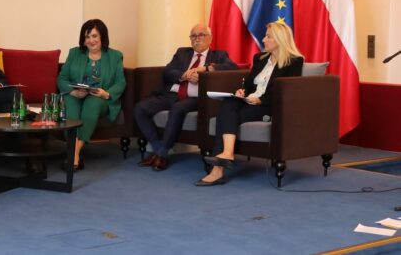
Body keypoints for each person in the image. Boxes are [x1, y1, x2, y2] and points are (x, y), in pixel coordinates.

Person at [196, 21, 304, 186]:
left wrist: (260, 99)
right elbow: (248, 85)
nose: (263, 39)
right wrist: (242, 92)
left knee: (225, 118)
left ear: (280, 39)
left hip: (268, 106)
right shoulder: (260, 58)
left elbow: (288, 90)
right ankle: (228, 153)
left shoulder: (294, 62)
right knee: (228, 103)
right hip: (249, 100)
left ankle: (217, 170)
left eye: (268, 37)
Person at [133, 23, 238, 171]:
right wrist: (184, 75)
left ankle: (161, 155)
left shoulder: (219, 55)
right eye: (193, 36)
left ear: (210, 38)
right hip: (172, 94)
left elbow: (232, 67)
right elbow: (168, 71)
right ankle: (158, 149)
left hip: (195, 98)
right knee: (140, 108)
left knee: (178, 108)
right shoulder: (182, 52)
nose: (197, 39)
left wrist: (205, 69)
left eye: (201, 35)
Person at [57, 19, 126, 171]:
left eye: (94, 36)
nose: (91, 40)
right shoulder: (75, 53)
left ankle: (73, 153)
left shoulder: (115, 56)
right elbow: (62, 79)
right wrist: (74, 91)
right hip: (76, 94)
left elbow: (120, 82)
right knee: (69, 104)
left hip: (99, 98)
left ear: (102, 37)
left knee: (92, 103)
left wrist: (106, 93)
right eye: (87, 37)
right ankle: (75, 155)